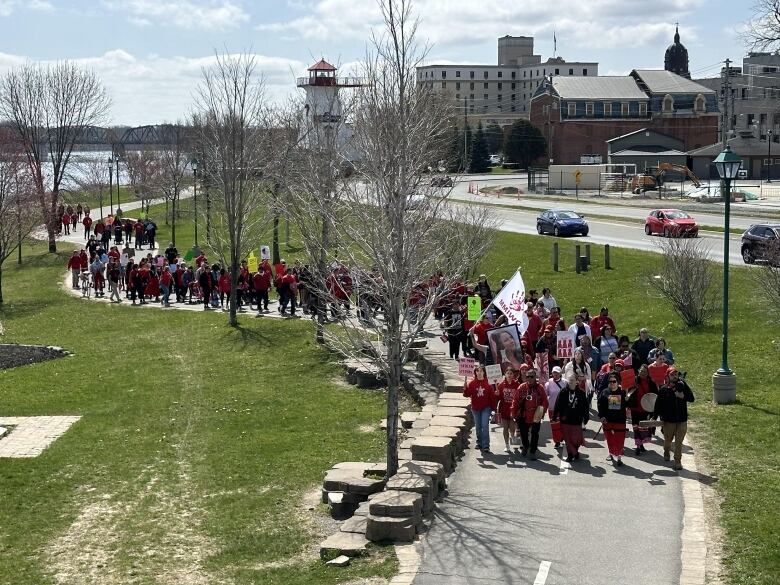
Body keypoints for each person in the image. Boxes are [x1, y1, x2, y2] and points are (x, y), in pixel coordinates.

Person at [655, 367, 694, 470]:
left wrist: (683, 396)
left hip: (682, 420)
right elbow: (658, 405)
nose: (675, 376)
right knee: (668, 441)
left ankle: (678, 461)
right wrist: (654, 417)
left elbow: (692, 398)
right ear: (668, 376)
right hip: (669, 421)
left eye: (676, 374)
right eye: (672, 374)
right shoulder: (663, 389)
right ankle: (666, 451)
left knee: (678, 443)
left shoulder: (683, 386)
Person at [511, 368, 548, 459]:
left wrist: (541, 412)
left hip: (536, 416)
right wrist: (513, 413)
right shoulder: (521, 387)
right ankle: (525, 446)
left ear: (535, 377)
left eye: (531, 376)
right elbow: (515, 401)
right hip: (523, 415)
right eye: (527, 376)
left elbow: (545, 402)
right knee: (523, 433)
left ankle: (532, 451)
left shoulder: (540, 388)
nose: (529, 378)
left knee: (535, 434)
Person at [553, 374, 589, 462]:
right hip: (565, 419)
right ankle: (570, 454)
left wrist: (586, 417)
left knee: (575, 439)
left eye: (572, 380)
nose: (570, 382)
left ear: (577, 382)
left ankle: (575, 452)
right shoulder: (563, 392)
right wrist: (554, 415)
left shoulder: (581, 393)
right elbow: (557, 404)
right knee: (568, 439)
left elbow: (585, 406)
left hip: (577, 420)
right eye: (569, 380)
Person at [597, 374, 631, 466]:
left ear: (617, 382)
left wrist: (628, 399)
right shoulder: (604, 392)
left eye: (614, 381)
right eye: (610, 381)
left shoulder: (623, 392)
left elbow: (629, 405)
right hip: (607, 420)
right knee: (610, 439)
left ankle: (619, 456)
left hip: (620, 420)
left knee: (619, 439)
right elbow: (600, 405)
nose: (612, 383)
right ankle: (611, 453)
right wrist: (602, 416)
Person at [463, 365, 494, 453]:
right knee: (478, 426)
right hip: (476, 408)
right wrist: (465, 389)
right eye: (477, 371)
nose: (479, 373)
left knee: (485, 426)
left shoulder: (488, 384)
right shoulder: (472, 383)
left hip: (486, 408)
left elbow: (492, 397)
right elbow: (466, 394)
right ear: (475, 373)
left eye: (481, 371)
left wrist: (493, 408)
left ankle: (486, 445)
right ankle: (479, 443)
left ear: (484, 372)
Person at [630, 364, 658, 456]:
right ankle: (638, 445)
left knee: (643, 428)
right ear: (638, 371)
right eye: (641, 371)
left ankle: (641, 444)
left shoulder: (651, 383)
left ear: (648, 373)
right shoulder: (633, 380)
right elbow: (627, 391)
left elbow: (655, 396)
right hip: (635, 408)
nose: (642, 373)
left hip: (646, 409)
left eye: (645, 372)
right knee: (636, 427)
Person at [494, 368, 520, 454]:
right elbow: (498, 399)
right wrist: (496, 395)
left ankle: (512, 436)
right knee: (505, 428)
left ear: (513, 375)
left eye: (511, 373)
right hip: (503, 410)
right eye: (507, 373)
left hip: (513, 411)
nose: (509, 375)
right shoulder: (501, 385)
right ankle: (507, 445)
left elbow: (519, 398)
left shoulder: (517, 385)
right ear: (505, 375)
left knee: (512, 428)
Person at [545, 366, 566, 448]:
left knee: (562, 424)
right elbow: (545, 395)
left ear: (560, 373)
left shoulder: (565, 382)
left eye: (557, 372)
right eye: (554, 372)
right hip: (552, 408)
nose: (555, 374)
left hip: (563, 408)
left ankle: (562, 438)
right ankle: (557, 441)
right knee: (554, 426)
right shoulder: (548, 383)